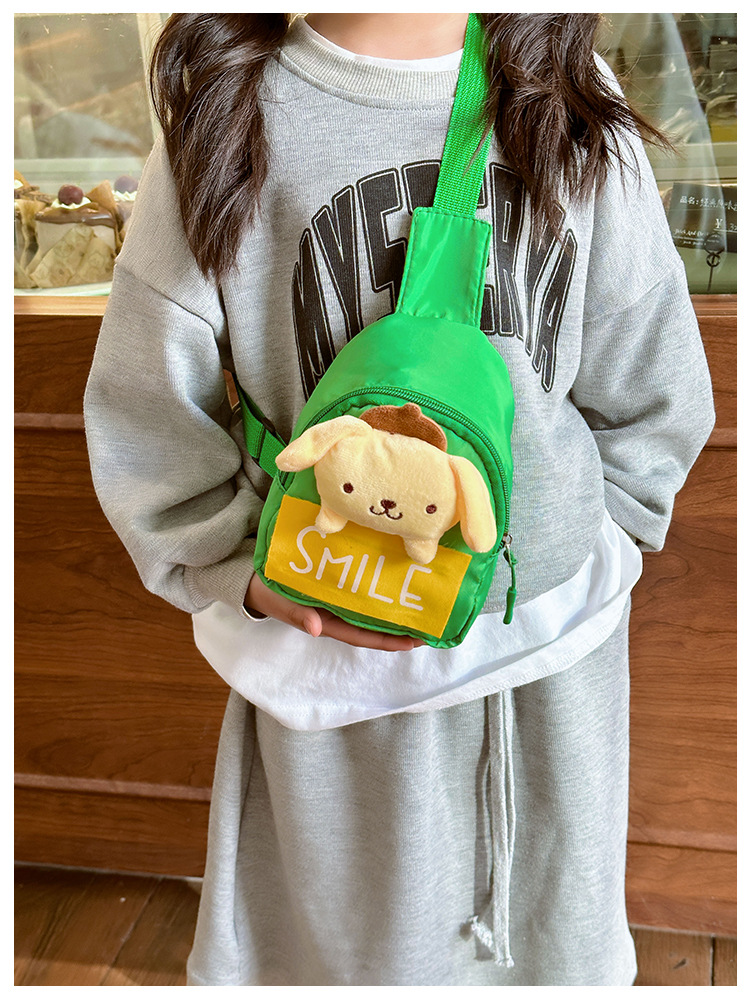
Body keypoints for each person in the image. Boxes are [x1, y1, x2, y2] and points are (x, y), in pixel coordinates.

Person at [83, 13, 715, 987]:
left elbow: (648, 359)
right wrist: (235, 569)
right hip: (331, 649)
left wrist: (591, 536)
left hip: (550, 650)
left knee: (549, 931)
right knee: (349, 945)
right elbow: (149, 399)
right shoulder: (232, 102)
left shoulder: (561, 85)